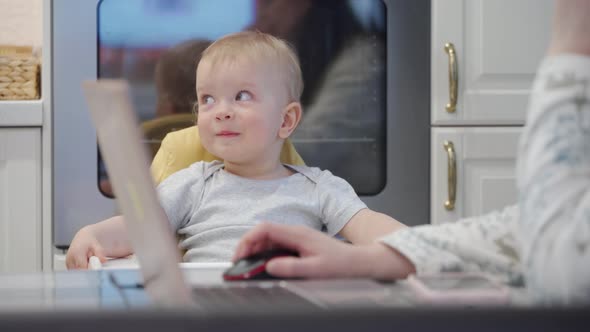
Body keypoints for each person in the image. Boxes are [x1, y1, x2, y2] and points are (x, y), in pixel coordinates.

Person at [232, 0, 590, 305]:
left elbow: (564, 269)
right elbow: (525, 231)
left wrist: (573, 48)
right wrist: (375, 259)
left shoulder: (319, 181)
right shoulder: (193, 181)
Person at [66, 31, 404, 269]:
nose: (221, 111)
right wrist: (92, 234)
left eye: (242, 96)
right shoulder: (193, 184)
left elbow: (369, 224)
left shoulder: (319, 188)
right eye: (207, 99)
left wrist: (419, 248)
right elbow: (139, 227)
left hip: (293, 308)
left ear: (286, 120)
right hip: (209, 311)